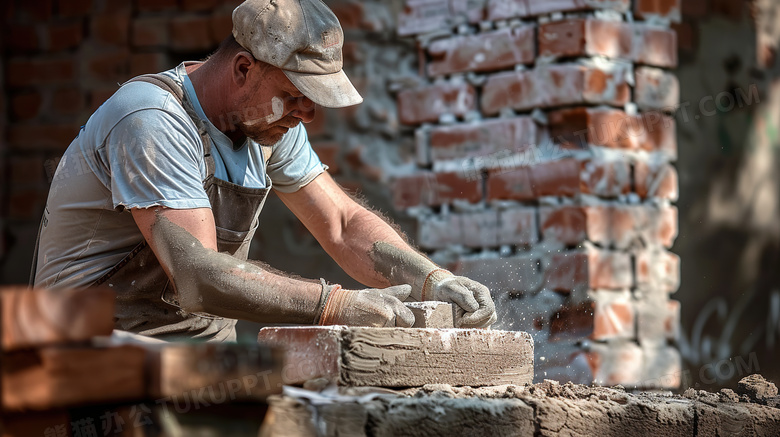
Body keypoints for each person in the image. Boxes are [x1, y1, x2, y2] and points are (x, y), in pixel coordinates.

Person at [32, 0, 497, 341]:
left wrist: (432, 279)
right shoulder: (151, 120)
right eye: (296, 95)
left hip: (187, 356)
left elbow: (341, 223)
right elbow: (197, 276)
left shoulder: (265, 124)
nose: (307, 114)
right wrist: (338, 305)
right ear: (242, 69)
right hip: (84, 352)